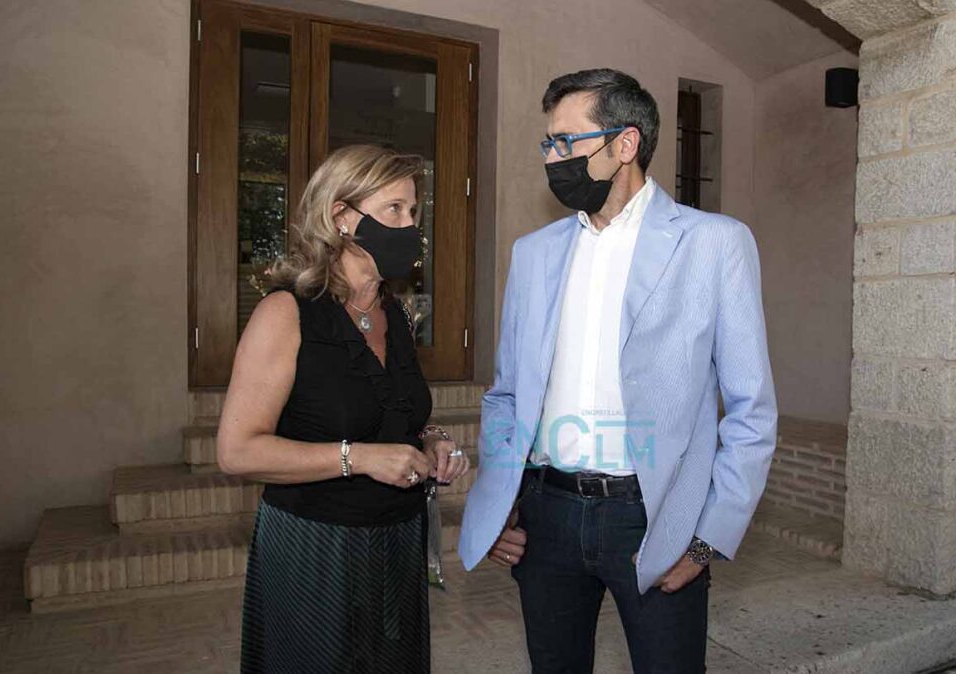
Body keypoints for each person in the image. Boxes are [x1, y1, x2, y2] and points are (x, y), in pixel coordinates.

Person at [458, 68, 778, 673]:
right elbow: (506, 396)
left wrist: (707, 538)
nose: (552, 158)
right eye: (548, 143)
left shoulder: (714, 243)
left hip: (652, 517)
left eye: (566, 142)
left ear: (625, 143)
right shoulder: (533, 253)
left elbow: (751, 409)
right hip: (546, 514)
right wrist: (500, 501)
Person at [217, 144, 470, 673]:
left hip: (399, 542)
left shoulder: (395, 315)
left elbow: (394, 413)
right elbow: (237, 451)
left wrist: (431, 440)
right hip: (315, 546)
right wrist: (361, 458)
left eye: (414, 211)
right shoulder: (285, 313)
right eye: (394, 209)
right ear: (342, 217)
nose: (410, 226)